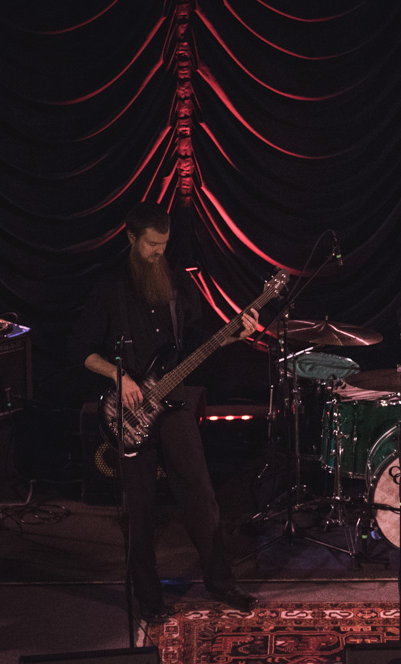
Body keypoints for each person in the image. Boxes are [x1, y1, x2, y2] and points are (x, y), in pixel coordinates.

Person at [74, 202, 259, 623]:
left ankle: (221, 581)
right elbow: (79, 350)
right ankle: (150, 602)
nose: (159, 252)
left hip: (174, 404)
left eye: (164, 244)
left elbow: (196, 342)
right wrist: (119, 378)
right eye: (152, 245)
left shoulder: (174, 281)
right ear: (131, 239)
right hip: (129, 409)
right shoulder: (109, 287)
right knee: (138, 510)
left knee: (200, 494)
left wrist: (235, 333)